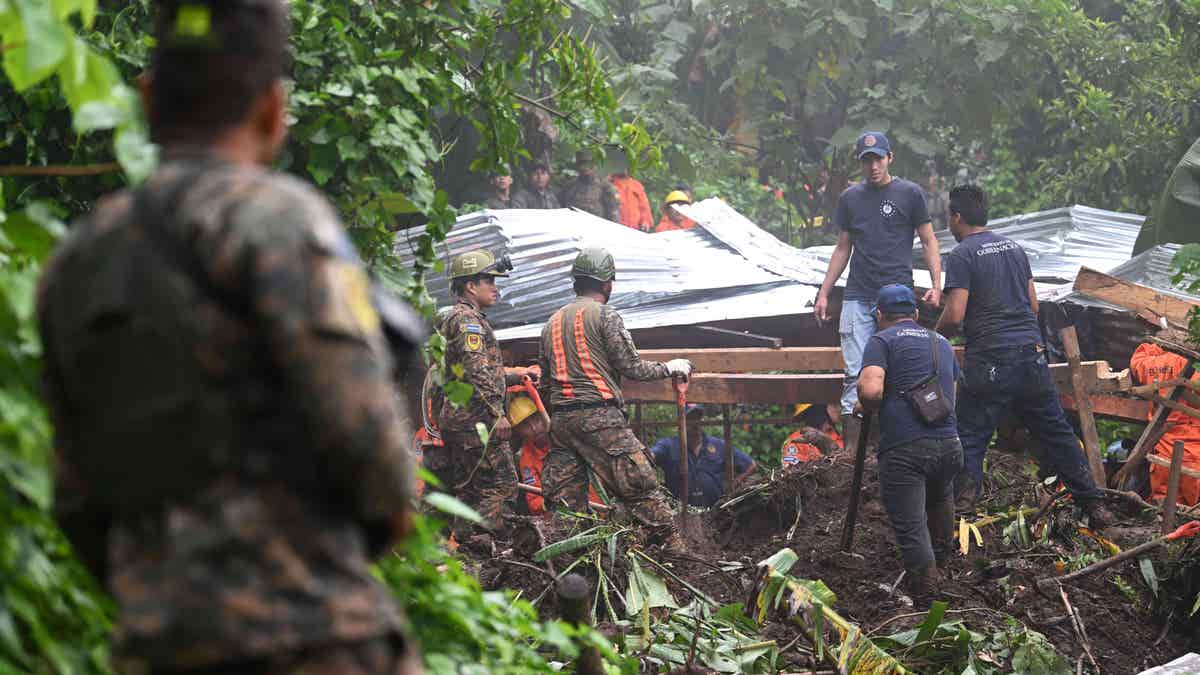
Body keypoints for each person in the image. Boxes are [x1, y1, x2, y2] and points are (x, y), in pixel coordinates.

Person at [37, 1, 421, 672]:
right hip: (315, 638)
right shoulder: (280, 224)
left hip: (159, 645)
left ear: (148, 99)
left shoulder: (75, 262)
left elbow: (75, 497)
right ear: (274, 110)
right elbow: (373, 455)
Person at [935, 184, 1111, 525]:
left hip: (990, 360)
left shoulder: (961, 255)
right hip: (1031, 356)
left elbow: (955, 314)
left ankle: (963, 512)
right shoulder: (1014, 248)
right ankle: (1095, 506)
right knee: (1057, 433)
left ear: (956, 218)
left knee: (971, 436)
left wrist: (933, 338)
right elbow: (1032, 305)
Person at [538, 248, 692, 540]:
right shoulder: (605, 315)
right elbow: (630, 366)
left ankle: (571, 566)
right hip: (600, 417)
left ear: (576, 282)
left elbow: (546, 382)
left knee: (566, 506)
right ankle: (675, 554)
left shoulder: (551, 322)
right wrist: (670, 368)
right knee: (640, 486)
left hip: (561, 423)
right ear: (608, 283)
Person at [814, 131, 943, 451]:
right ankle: (851, 455)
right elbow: (843, 248)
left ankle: (900, 446)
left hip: (897, 296)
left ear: (890, 158)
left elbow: (928, 240)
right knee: (854, 373)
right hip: (858, 294)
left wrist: (937, 284)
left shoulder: (910, 194)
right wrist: (824, 291)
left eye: (878, 158)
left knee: (901, 369)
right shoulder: (851, 198)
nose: (873, 166)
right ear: (861, 163)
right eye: (867, 160)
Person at [858, 285, 962, 608]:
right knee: (940, 498)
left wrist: (865, 403)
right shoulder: (942, 343)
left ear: (879, 316)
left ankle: (928, 595)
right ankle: (948, 571)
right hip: (949, 443)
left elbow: (872, 391)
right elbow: (952, 396)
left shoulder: (881, 341)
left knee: (912, 522)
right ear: (916, 314)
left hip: (906, 448)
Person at [429, 249, 524, 538]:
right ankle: (487, 550)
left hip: (460, 421)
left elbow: (467, 370)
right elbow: (476, 371)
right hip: (477, 422)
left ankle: (467, 557)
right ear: (471, 286)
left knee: (469, 491)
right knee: (501, 485)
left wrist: (517, 374)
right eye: (489, 281)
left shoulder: (454, 318)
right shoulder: (467, 321)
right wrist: (498, 415)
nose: (496, 288)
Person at [1130, 342, 1200, 505]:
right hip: (1193, 450)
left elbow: (1137, 359)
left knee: (1164, 504)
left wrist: (1158, 348)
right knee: (1192, 511)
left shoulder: (1150, 363)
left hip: (1163, 448)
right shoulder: (1195, 369)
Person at [509, 394, 601, 514]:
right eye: (525, 425)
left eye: (536, 418)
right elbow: (534, 501)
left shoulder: (567, 436)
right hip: (568, 519)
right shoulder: (526, 459)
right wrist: (557, 503)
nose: (534, 428)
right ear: (518, 431)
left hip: (600, 509)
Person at [649, 405, 757, 506]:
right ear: (681, 422)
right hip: (680, 512)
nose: (696, 423)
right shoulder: (669, 446)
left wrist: (735, 484)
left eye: (698, 418)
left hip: (715, 512)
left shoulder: (718, 445)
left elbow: (750, 465)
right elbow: (651, 455)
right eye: (690, 419)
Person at [560, 150, 621, 222]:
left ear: (595, 165)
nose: (584, 167)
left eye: (588, 163)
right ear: (577, 166)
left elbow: (614, 215)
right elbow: (561, 210)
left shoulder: (606, 187)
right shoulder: (569, 186)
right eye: (581, 163)